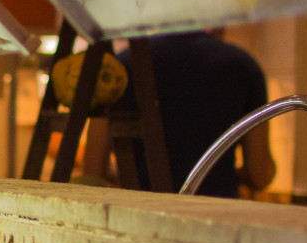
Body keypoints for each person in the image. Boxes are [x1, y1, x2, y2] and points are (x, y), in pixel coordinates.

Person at [95, 30, 275, 197]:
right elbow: (259, 176)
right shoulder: (243, 65)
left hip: (141, 212)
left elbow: (94, 168)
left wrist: (128, 171)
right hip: (215, 213)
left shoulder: (117, 69)